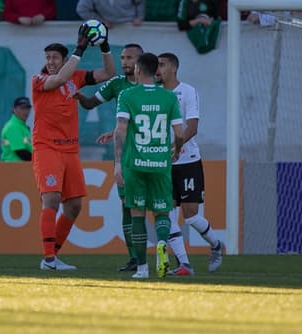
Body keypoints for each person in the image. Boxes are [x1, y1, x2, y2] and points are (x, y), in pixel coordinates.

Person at [32, 21, 116, 270]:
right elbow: (58, 79)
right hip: (46, 147)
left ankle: (52, 257)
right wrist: (79, 49)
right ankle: (48, 259)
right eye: (47, 57)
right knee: (52, 199)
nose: (50, 61)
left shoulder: (76, 78)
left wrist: (104, 46)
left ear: (64, 58)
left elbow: (108, 73)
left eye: (55, 57)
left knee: (75, 205)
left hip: (70, 150)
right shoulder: (39, 80)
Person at [113, 52, 184, 279]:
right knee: (162, 211)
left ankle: (142, 269)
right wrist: (178, 148)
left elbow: (121, 129)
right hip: (160, 164)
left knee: (137, 214)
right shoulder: (169, 97)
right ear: (156, 72)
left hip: (135, 164)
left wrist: (117, 163)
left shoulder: (127, 94)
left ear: (137, 70)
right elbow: (180, 133)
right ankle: (162, 243)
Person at [74, 43, 144, 272]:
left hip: (152, 152)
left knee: (164, 206)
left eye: (130, 57)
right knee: (127, 205)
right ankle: (135, 258)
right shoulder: (117, 84)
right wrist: (78, 95)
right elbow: (91, 103)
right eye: (122, 57)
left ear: (141, 61)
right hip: (126, 155)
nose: (124, 62)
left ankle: (174, 257)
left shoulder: (155, 86)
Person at [155, 52, 225, 274]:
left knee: (191, 214)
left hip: (188, 161)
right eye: (156, 65)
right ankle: (184, 264)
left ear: (173, 68)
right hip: (164, 165)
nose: (157, 69)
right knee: (167, 213)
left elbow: (192, 127)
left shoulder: (187, 91)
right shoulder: (154, 94)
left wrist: (175, 147)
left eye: (162, 65)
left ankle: (216, 245)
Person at [0, 96, 33, 162]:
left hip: (19, 168)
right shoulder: (13, 126)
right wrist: (39, 160)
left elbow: (27, 147)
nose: (25, 111)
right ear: (14, 109)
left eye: (27, 108)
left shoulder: (22, 127)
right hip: (13, 168)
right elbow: (20, 151)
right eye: (22, 108)